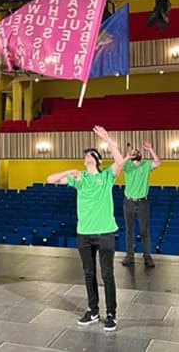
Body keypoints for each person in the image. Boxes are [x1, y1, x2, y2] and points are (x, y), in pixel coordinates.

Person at [46, 125, 124, 332]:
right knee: (89, 273)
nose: (86, 157)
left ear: (97, 159)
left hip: (105, 233)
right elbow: (50, 179)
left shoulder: (107, 176)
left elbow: (119, 161)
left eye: (90, 155)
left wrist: (107, 139)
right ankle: (93, 310)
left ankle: (111, 315)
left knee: (107, 274)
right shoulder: (80, 179)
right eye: (85, 156)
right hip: (85, 234)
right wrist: (69, 171)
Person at [121, 141, 161, 268]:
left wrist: (151, 149)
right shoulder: (127, 166)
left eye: (137, 152)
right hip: (128, 201)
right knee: (129, 230)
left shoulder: (146, 165)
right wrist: (127, 155)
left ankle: (147, 257)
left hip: (142, 202)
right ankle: (129, 256)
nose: (135, 152)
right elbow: (119, 164)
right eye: (133, 152)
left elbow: (158, 162)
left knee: (144, 231)